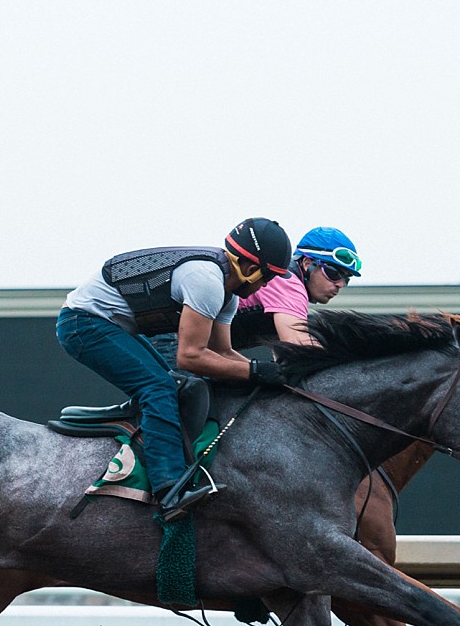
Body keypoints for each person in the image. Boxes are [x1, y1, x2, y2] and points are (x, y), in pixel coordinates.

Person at [56, 218, 293, 522]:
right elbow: (190, 358)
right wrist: (256, 372)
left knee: (178, 388)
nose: (268, 285)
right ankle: (169, 490)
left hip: (110, 325)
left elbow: (222, 353)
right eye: (269, 276)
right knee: (159, 388)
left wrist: (270, 374)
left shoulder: (227, 295)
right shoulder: (206, 280)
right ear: (249, 268)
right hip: (83, 323)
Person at [238, 226, 362, 345]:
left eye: (346, 279)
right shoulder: (288, 284)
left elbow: (285, 356)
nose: (340, 284)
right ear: (307, 263)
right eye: (334, 273)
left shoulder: (287, 285)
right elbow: (298, 346)